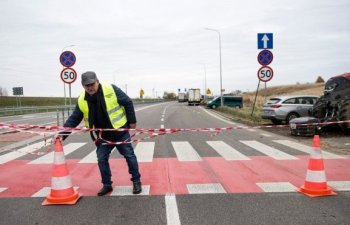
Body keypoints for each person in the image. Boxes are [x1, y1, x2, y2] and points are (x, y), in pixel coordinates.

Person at [59, 71, 142, 196]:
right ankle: (107, 185)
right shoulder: (82, 99)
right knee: (101, 158)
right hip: (102, 135)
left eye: (92, 84)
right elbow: (75, 118)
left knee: (129, 155)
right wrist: (63, 134)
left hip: (120, 131)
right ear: (83, 86)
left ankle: (136, 181)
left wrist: (132, 121)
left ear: (97, 81)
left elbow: (128, 102)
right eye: (87, 85)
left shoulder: (111, 89)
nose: (90, 87)